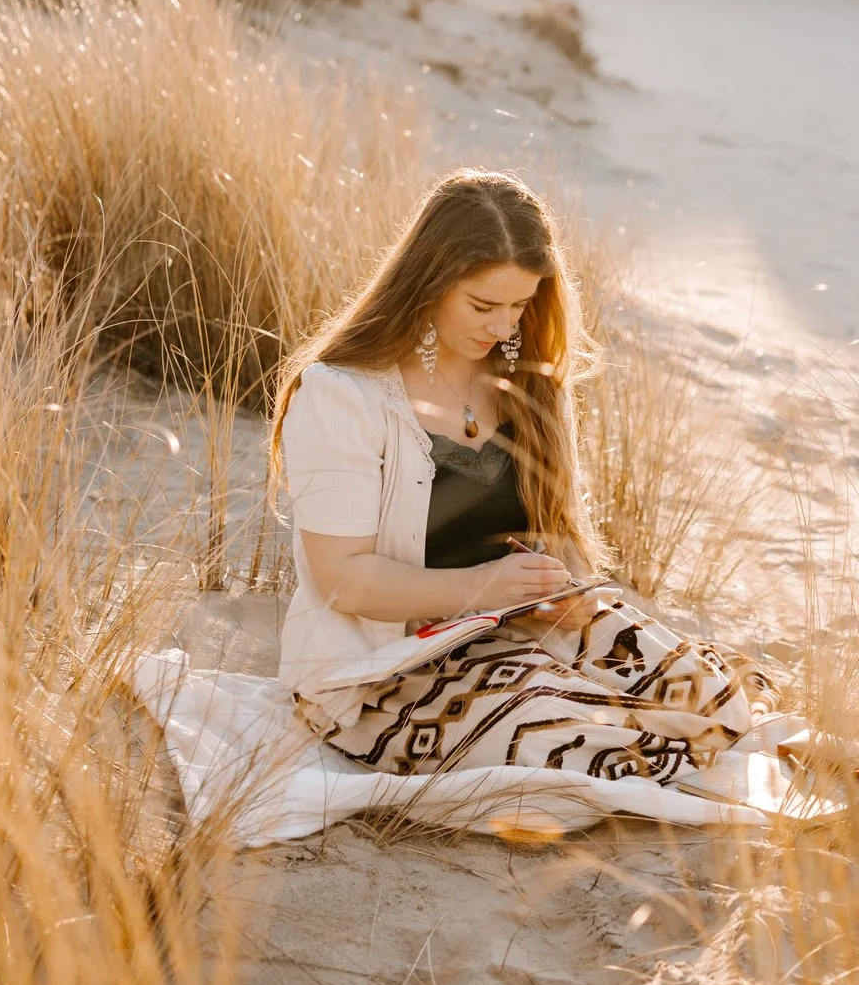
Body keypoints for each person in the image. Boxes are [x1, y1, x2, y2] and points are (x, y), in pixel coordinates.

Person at [268, 168, 781, 785]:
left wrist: (556, 592)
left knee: (719, 701)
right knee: (612, 754)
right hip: (382, 670)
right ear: (426, 285)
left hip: (518, 630)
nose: (504, 328)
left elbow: (552, 537)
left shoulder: (530, 384)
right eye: (483, 306)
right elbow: (342, 582)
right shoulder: (341, 394)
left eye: (520, 305)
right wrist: (484, 588)